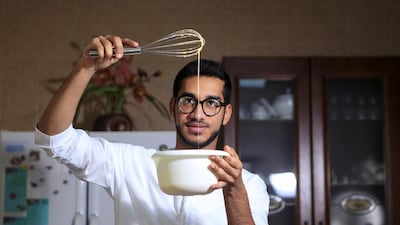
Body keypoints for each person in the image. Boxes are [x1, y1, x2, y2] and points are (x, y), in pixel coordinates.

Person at [35, 35, 269, 225]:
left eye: (211, 103)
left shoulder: (248, 186)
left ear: (225, 113)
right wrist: (84, 68)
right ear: (172, 107)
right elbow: (54, 140)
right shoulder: (130, 163)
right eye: (188, 101)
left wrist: (234, 191)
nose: (198, 114)